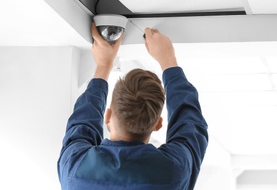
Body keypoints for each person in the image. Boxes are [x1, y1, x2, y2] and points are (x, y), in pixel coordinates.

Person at [58, 23, 208, 189]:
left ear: (107, 116)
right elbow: (190, 128)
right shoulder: (174, 172)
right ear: (158, 124)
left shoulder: (76, 168)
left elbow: (190, 126)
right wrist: (104, 66)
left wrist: (168, 61)